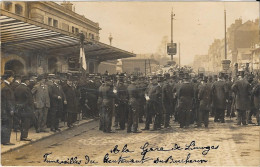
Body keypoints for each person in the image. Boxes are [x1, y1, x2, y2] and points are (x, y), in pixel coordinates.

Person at [14, 76, 34, 141]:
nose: (29, 82)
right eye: (28, 81)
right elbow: (29, 100)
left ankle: (22, 136)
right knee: (26, 123)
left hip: (19, 107)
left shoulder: (17, 88)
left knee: (21, 122)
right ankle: (24, 136)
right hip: (26, 109)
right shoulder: (26, 89)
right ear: (26, 81)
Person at [1, 70, 15, 145]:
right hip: (6, 110)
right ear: (8, 77)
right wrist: (11, 110)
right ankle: (6, 141)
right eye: (12, 77)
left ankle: (4, 140)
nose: (13, 78)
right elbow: (8, 100)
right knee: (7, 125)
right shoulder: (6, 87)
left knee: (5, 125)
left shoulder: (4, 85)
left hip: (4, 109)